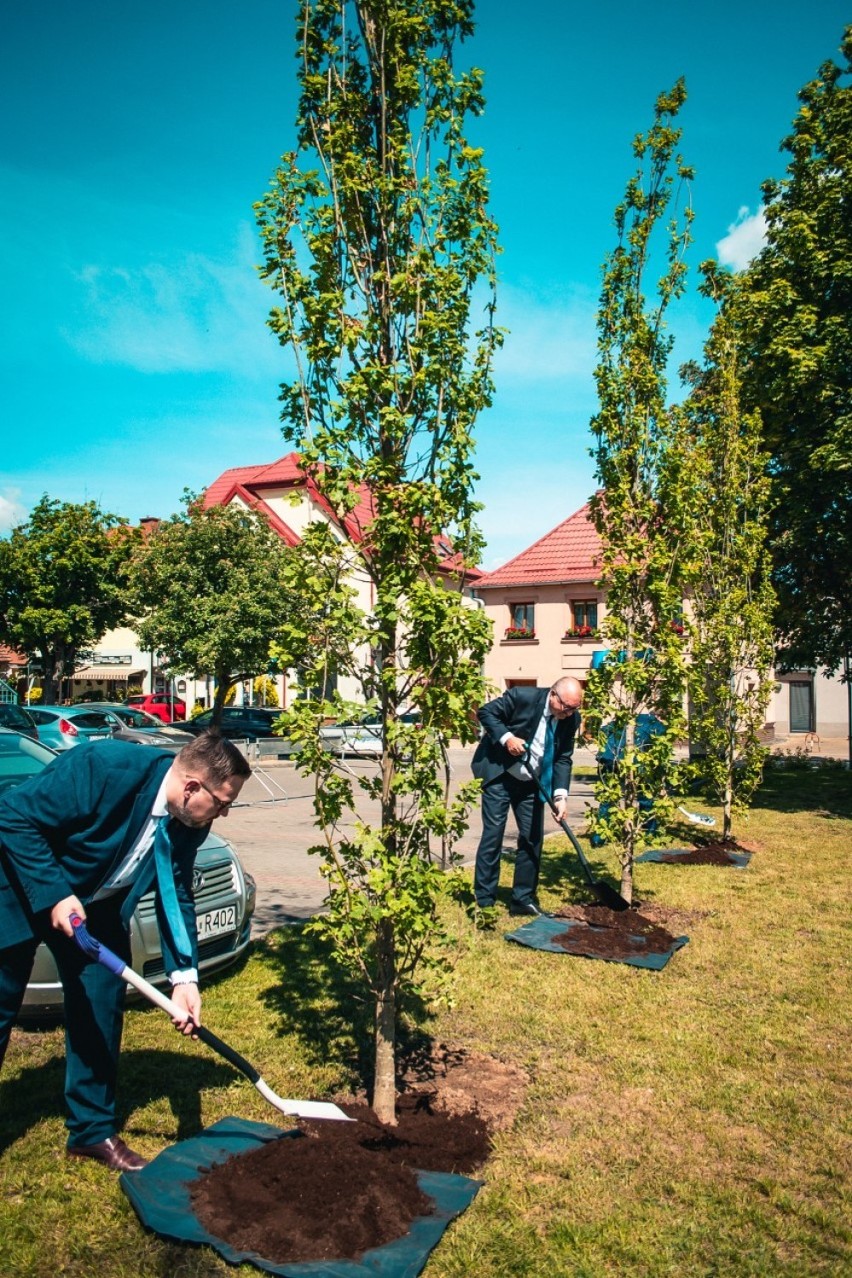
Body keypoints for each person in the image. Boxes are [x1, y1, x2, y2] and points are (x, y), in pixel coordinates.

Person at [0, 731, 251, 1172]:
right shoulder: (102, 768)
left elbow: (177, 892)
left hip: (95, 910)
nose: (225, 812)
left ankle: (91, 1131)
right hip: (21, 888)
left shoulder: (191, 816)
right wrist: (57, 894)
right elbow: (12, 816)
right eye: (223, 802)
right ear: (192, 786)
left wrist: (184, 978)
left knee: (100, 1005)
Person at [471, 677, 583, 917]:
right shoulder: (522, 696)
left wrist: (560, 796)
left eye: (575, 708)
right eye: (566, 707)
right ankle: (485, 900)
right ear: (553, 695)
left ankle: (522, 899)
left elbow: (563, 756)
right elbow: (486, 713)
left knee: (532, 838)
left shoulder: (571, 718)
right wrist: (507, 738)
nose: (570, 713)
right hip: (500, 774)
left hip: (532, 781)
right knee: (494, 834)